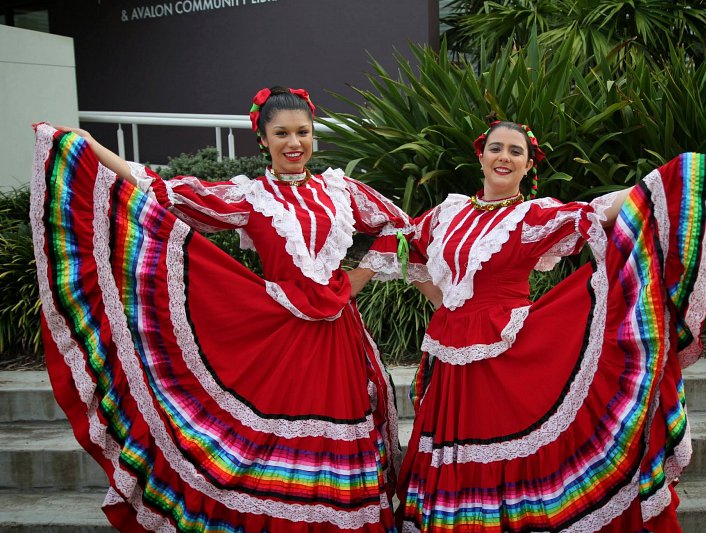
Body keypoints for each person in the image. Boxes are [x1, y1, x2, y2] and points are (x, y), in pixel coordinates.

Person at [30, 86, 424, 531]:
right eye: (282, 134)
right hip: (282, 332)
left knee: (345, 436)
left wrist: (361, 275)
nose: (294, 143)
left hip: (339, 336)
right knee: (272, 443)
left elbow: (401, 223)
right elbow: (161, 191)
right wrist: (93, 147)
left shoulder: (342, 188)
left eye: (303, 132)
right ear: (263, 139)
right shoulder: (251, 197)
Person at [394, 121, 706, 532]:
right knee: (456, 452)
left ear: (527, 165)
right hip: (450, 353)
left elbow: (595, 213)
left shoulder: (532, 215)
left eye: (516, 152)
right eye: (496, 148)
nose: (504, 157)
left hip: (506, 353)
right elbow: (406, 245)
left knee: (510, 450)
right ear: (480, 156)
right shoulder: (447, 212)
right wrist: (443, 303)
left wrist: (657, 185)